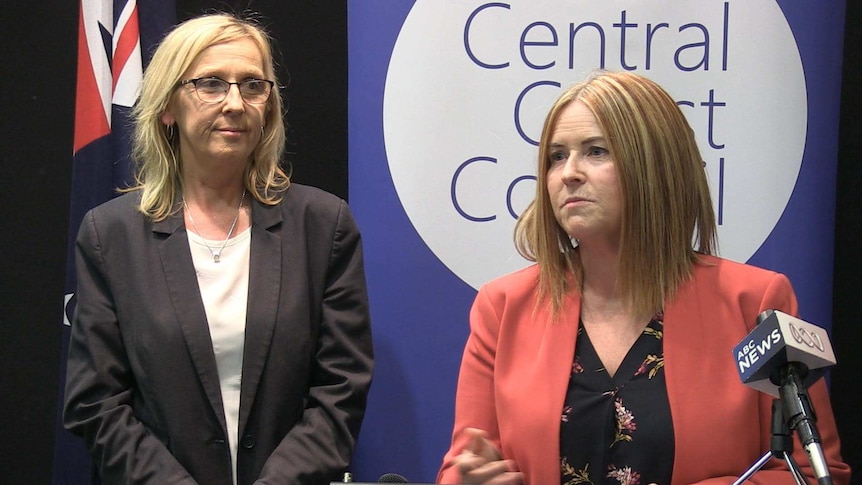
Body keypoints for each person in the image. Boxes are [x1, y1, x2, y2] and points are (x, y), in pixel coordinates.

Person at [437, 71, 850, 485]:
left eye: (596, 151)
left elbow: (815, 473)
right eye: (556, 157)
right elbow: (460, 467)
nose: (569, 174)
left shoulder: (753, 303)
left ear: (656, 165)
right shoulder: (504, 306)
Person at [63, 13, 373, 485]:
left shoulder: (322, 225)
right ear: (169, 106)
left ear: (268, 106)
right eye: (210, 84)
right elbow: (96, 402)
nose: (235, 103)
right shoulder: (111, 235)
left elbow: (341, 390)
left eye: (252, 85)